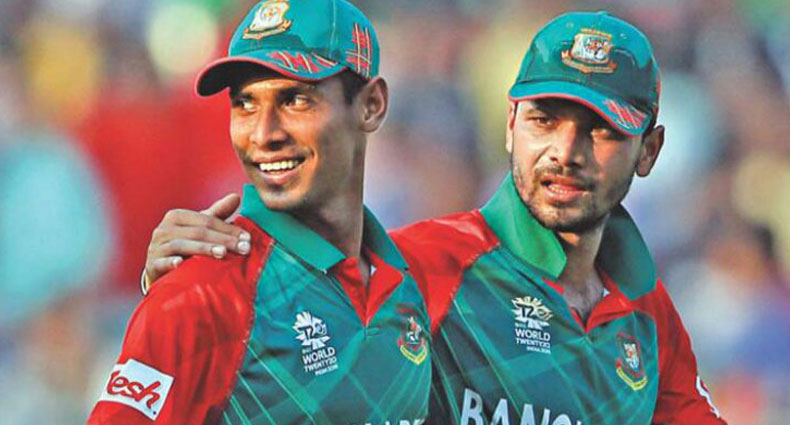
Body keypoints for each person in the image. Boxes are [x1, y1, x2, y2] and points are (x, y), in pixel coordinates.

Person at [143, 11, 728, 425]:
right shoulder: (424, 266)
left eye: (601, 131)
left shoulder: (648, 313)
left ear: (649, 151)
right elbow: (275, 320)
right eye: (544, 120)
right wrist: (178, 285)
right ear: (510, 125)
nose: (565, 153)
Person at [86, 1, 432, 424]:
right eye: (245, 104)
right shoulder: (199, 297)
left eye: (296, 100)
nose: (263, 134)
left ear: (371, 105)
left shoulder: (419, 284)